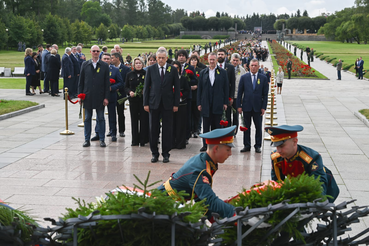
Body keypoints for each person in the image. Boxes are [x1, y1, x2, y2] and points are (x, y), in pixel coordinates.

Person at [157, 126, 236, 219]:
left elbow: (201, 198)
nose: (230, 153)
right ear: (216, 149)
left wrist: (214, 220)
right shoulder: (200, 171)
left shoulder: (206, 161)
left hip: (173, 201)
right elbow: (210, 201)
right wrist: (234, 213)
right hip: (163, 204)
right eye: (228, 149)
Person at [265, 125, 339, 203]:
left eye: (281, 146)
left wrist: (318, 204)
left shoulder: (311, 158)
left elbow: (319, 184)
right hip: (298, 187)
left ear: (295, 142)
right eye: (276, 146)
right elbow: (277, 182)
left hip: (326, 189)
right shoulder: (276, 158)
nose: (278, 150)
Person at [143, 47, 180, 163]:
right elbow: (146, 88)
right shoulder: (151, 69)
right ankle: (154, 153)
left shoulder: (172, 70)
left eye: (163, 58)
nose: (160, 60)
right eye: (159, 58)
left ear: (167, 58)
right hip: (154, 103)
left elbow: (177, 88)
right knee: (153, 129)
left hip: (168, 104)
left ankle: (166, 153)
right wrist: (145, 103)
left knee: (167, 130)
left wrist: (176, 104)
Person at [78, 45, 110, 148]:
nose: (95, 53)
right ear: (90, 52)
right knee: (87, 118)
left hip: (100, 96)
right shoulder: (85, 64)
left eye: (97, 51)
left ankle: (102, 139)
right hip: (87, 96)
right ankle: (86, 139)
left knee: (101, 118)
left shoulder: (104, 65)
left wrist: (106, 97)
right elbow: (81, 81)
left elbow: (107, 83)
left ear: (99, 52)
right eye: (94, 51)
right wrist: (80, 95)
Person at [197, 52, 229, 152]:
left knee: (216, 126)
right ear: (208, 60)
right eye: (210, 60)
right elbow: (200, 89)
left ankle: (216, 144)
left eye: (213, 60)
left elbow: (226, 88)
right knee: (206, 125)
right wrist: (199, 103)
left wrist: (225, 103)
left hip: (217, 103)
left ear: (216, 60)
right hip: (206, 103)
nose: (212, 62)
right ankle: (205, 145)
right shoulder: (203, 73)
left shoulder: (222, 72)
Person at [237, 59, 269, 153]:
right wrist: (239, 105)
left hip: (258, 107)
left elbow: (265, 94)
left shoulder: (263, 78)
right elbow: (240, 93)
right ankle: (247, 145)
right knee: (246, 127)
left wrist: (264, 107)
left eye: (255, 65)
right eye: (252, 65)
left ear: (259, 66)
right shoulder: (244, 77)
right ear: (249, 66)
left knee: (258, 128)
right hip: (246, 106)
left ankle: (258, 145)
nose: (253, 67)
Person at [91, 53, 123, 142]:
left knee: (112, 115)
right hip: (100, 96)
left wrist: (111, 87)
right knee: (99, 115)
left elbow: (120, 83)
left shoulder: (115, 70)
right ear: (101, 59)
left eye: (108, 59)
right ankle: (98, 133)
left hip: (111, 95)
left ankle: (113, 133)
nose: (106, 60)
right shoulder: (97, 69)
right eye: (104, 59)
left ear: (111, 60)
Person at [125, 57, 149, 146]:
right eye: (136, 63)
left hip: (143, 100)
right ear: (133, 65)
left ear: (143, 64)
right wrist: (129, 92)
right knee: (134, 120)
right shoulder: (129, 74)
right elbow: (126, 86)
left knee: (144, 120)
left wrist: (145, 91)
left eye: (140, 63)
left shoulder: (146, 74)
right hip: (133, 100)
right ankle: (135, 140)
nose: (138, 65)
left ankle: (143, 140)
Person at [176, 49, 197, 143]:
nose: (181, 57)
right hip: (175, 95)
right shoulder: (173, 66)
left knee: (187, 117)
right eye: (179, 55)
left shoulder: (190, 67)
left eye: (183, 56)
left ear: (186, 57)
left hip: (186, 95)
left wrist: (186, 81)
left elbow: (195, 80)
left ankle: (186, 136)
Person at [111, 52, 131, 138]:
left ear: (118, 58)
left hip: (120, 94)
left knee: (120, 112)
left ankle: (121, 130)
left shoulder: (126, 69)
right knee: (111, 113)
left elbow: (127, 81)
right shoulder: (110, 68)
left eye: (112, 58)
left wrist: (119, 87)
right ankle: (112, 130)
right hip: (111, 93)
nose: (111, 60)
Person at [172, 60, 190, 149]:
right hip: (170, 105)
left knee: (181, 124)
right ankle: (171, 142)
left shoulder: (183, 78)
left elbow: (187, 90)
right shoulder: (168, 78)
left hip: (181, 104)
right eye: (174, 68)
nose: (175, 70)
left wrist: (182, 95)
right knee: (171, 124)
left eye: (177, 68)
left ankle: (180, 143)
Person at [217, 48, 235, 128]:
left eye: (222, 54)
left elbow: (233, 83)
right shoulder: (213, 66)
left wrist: (231, 97)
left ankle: (227, 134)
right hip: (216, 96)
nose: (220, 56)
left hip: (226, 95)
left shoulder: (230, 67)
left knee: (227, 116)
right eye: (219, 54)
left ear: (225, 56)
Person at [231, 53, 247, 134]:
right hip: (229, 96)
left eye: (236, 60)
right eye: (233, 60)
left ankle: (234, 132)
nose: (235, 62)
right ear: (231, 60)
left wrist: (242, 97)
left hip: (237, 96)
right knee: (226, 116)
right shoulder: (227, 69)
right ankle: (227, 131)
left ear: (239, 61)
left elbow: (245, 85)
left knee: (235, 116)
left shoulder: (242, 70)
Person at [189, 55, 202, 138]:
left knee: (197, 113)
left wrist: (197, 86)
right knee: (190, 114)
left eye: (195, 60)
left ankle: (197, 129)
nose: (193, 61)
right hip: (189, 94)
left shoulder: (200, 71)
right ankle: (190, 129)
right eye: (192, 60)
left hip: (197, 94)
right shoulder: (187, 70)